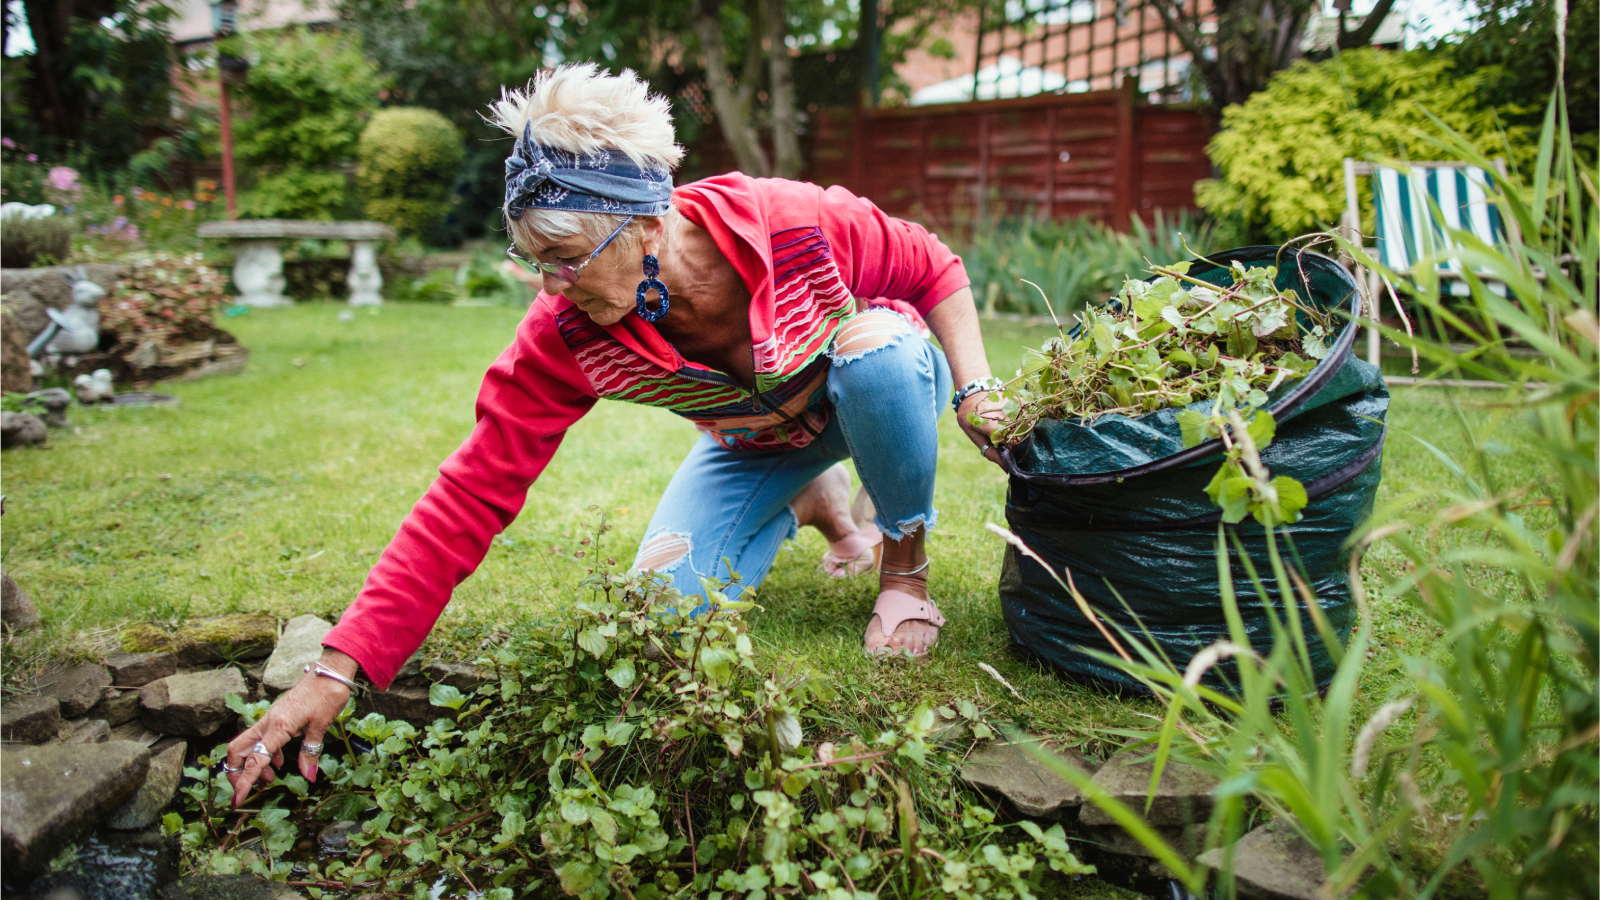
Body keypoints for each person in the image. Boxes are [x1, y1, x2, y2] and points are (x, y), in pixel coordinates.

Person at [222, 64, 1005, 805]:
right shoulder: (565, 331)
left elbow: (933, 268)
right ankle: (817, 501)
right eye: (533, 260)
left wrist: (974, 390)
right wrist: (337, 668)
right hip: (757, 441)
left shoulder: (789, 220)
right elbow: (471, 490)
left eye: (564, 258)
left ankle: (903, 570)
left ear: (646, 225)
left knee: (880, 356)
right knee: (659, 620)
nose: (551, 286)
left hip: (874, 388)